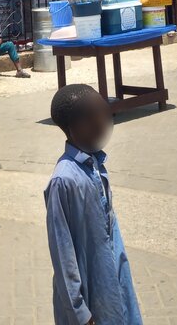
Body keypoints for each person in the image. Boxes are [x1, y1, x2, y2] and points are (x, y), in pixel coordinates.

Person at [45, 84, 142, 325]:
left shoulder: (96, 166)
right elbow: (62, 252)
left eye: (104, 115)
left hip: (113, 284)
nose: (103, 124)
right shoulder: (63, 181)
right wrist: (80, 312)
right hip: (88, 298)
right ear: (75, 127)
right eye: (95, 117)